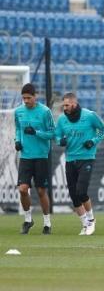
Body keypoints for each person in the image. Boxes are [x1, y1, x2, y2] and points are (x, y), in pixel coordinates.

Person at [55, 92, 104, 235]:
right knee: (74, 196)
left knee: (81, 191)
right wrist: (61, 141)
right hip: (70, 159)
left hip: (86, 158)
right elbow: (57, 135)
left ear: (74, 103)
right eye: (63, 105)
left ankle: (91, 220)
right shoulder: (61, 120)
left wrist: (93, 141)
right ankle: (84, 223)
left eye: (67, 105)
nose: (64, 107)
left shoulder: (90, 115)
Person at [14, 83, 55, 235]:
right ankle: (28, 219)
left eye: (28, 98)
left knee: (41, 191)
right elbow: (18, 129)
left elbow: (53, 134)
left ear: (35, 96)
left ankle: (47, 223)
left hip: (41, 156)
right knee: (23, 189)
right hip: (25, 156)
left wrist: (36, 132)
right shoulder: (18, 112)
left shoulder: (45, 112)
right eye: (23, 98)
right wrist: (17, 140)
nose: (26, 100)